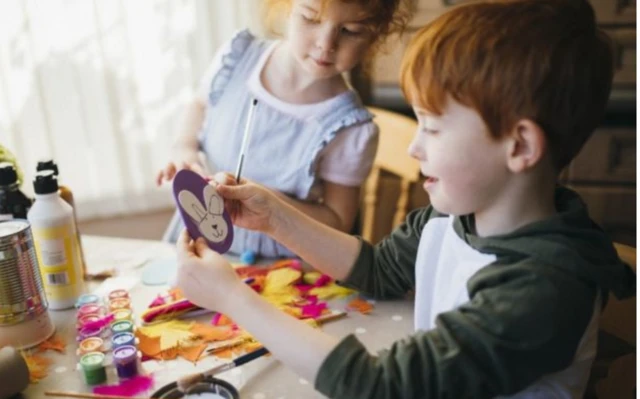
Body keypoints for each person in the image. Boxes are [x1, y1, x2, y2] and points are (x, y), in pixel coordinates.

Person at [175, 0, 636, 397]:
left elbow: (382, 388)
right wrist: (274, 216)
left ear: (519, 147)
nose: (416, 147)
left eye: (433, 128)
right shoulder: (452, 218)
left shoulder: (543, 287)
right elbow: (378, 270)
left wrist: (233, 299)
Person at [156, 0, 413, 257]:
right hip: (195, 240)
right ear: (286, 7)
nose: (326, 43)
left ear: (375, 35)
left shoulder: (349, 129)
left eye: (351, 30)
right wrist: (184, 147)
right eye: (311, 19)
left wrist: (270, 205)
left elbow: (337, 222)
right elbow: (200, 105)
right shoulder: (237, 57)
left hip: (274, 267)